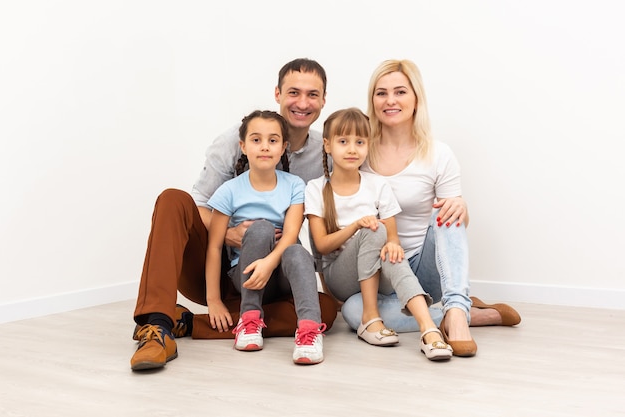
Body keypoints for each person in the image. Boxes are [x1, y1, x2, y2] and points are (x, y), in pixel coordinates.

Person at [130, 58, 337, 371]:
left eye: (312, 94)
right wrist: (228, 234)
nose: (303, 103)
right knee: (173, 199)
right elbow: (198, 204)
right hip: (219, 267)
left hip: (271, 271)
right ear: (278, 94)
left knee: (326, 309)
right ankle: (157, 325)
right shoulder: (234, 141)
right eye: (294, 92)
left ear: (323, 100)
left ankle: (189, 323)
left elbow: (324, 220)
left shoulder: (325, 152)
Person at [341, 59, 521, 357]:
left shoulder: (438, 154)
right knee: (351, 311)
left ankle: (455, 309)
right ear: (372, 101)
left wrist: (461, 206)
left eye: (400, 92)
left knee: (448, 210)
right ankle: (468, 314)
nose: (390, 101)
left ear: (416, 99)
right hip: (377, 273)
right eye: (381, 93)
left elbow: (454, 226)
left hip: (423, 271)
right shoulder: (358, 150)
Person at [305, 108, 452, 361]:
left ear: (368, 145)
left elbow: (392, 236)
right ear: (327, 145)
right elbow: (322, 244)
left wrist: (393, 245)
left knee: (388, 247)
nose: (352, 149)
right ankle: (370, 317)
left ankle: (430, 329)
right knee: (374, 228)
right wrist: (354, 227)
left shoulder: (377, 184)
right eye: (343, 142)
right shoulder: (316, 188)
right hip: (342, 278)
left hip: (379, 272)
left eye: (360, 142)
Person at [206, 110, 326, 364]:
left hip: (279, 274)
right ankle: (249, 319)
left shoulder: (294, 185)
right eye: (256, 140)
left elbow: (291, 233)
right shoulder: (229, 190)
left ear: (283, 148)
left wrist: (270, 263)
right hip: (246, 276)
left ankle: (309, 330)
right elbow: (215, 247)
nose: (264, 147)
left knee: (296, 250)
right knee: (260, 229)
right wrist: (213, 300)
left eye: (272, 141)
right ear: (243, 146)